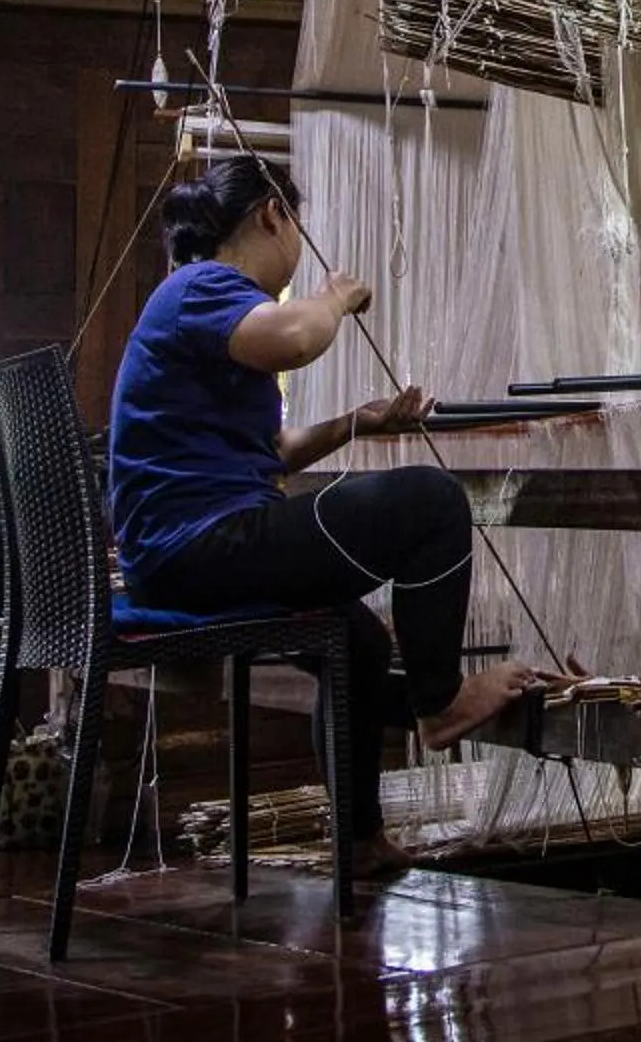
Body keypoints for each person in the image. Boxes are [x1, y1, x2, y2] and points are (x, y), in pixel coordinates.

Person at [107, 154, 539, 872]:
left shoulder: (197, 305)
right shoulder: (201, 288)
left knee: (357, 639)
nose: (298, 242)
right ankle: (440, 704)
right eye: (296, 223)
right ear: (272, 214)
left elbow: (269, 450)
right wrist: (334, 298)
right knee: (432, 502)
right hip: (202, 546)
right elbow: (296, 338)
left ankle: (360, 841)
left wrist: (354, 425)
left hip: (190, 553)